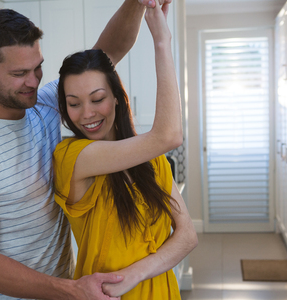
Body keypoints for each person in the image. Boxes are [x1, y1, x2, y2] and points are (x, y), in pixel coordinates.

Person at [0, 1, 172, 299]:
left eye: (38, 68)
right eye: (20, 73)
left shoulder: (41, 105)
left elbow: (108, 52)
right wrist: (70, 289)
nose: (33, 82)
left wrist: (137, 3)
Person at [53, 3, 198, 300]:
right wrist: (161, 41)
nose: (86, 114)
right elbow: (169, 135)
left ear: (117, 98)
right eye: (74, 103)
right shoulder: (71, 158)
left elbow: (187, 236)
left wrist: (135, 274)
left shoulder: (151, 159)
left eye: (98, 99)